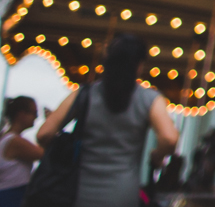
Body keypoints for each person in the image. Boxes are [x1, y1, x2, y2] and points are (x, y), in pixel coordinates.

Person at [38, 33, 180, 207]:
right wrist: (157, 156)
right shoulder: (149, 99)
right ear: (139, 65)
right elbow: (169, 138)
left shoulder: (85, 93)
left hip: (78, 192)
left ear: (108, 60)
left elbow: (44, 134)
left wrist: (64, 152)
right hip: (122, 194)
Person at [0, 96, 42, 207]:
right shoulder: (15, 141)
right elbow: (45, 154)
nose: (36, 117)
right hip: (11, 198)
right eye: (34, 113)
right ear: (21, 114)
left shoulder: (6, 138)